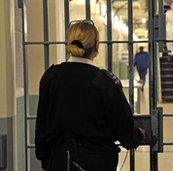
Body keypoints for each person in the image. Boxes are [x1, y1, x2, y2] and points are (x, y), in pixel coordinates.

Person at [35, 20, 144, 171]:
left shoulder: (51, 77)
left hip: (60, 161)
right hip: (98, 162)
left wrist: (45, 159)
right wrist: (137, 135)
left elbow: (42, 124)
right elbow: (124, 129)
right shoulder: (105, 82)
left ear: (69, 43)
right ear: (96, 46)